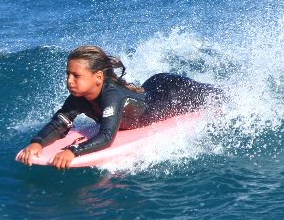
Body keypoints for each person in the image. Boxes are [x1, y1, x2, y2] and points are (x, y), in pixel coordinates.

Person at [16, 45, 224, 169]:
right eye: (68, 74)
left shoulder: (111, 96)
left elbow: (107, 136)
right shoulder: (78, 97)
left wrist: (74, 150)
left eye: (76, 75)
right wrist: (38, 143)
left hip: (171, 93)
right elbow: (59, 123)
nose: (70, 80)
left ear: (98, 78)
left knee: (222, 98)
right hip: (150, 89)